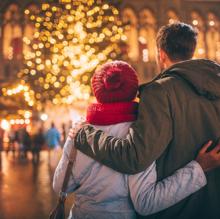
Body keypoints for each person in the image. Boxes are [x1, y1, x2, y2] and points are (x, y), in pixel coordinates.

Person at [70, 22, 220, 219]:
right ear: (192, 50)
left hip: (176, 209)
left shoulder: (160, 92)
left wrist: (84, 135)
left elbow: (134, 158)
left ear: (161, 54)